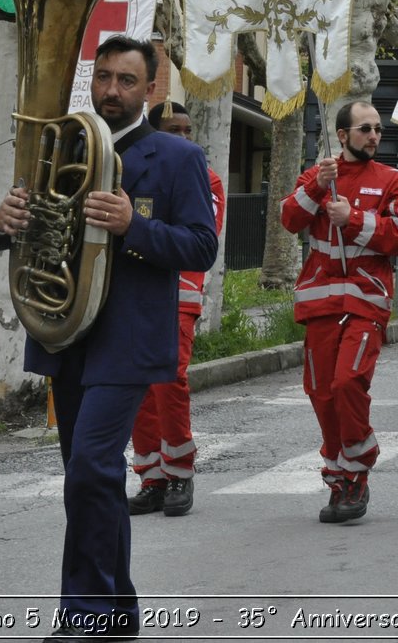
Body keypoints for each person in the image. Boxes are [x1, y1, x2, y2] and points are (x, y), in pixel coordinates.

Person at [0, 36, 218, 639]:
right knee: (89, 476)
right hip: (65, 332)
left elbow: (201, 245)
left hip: (128, 337)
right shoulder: (58, 143)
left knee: (90, 469)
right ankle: (117, 613)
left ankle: (83, 614)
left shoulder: (175, 158)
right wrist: (1, 222)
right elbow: (25, 230)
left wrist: (133, 225)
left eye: (126, 81)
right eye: (104, 79)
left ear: (150, 89)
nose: (111, 91)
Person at [279, 101, 398, 523]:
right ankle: (337, 477)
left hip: (365, 300)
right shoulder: (320, 175)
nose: (374, 136)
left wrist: (353, 218)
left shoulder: (394, 180)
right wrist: (317, 188)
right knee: (320, 392)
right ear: (342, 135)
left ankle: (358, 470)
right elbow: (289, 218)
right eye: (364, 129)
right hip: (320, 302)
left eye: (377, 129)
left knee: (347, 382)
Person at [128, 102, 226, 517]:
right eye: (173, 129)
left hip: (178, 294)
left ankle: (180, 472)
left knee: (170, 382)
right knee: (136, 388)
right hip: (132, 294)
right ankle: (151, 477)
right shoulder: (130, 168)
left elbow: (201, 233)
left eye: (187, 129)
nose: (184, 137)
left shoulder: (207, 178)